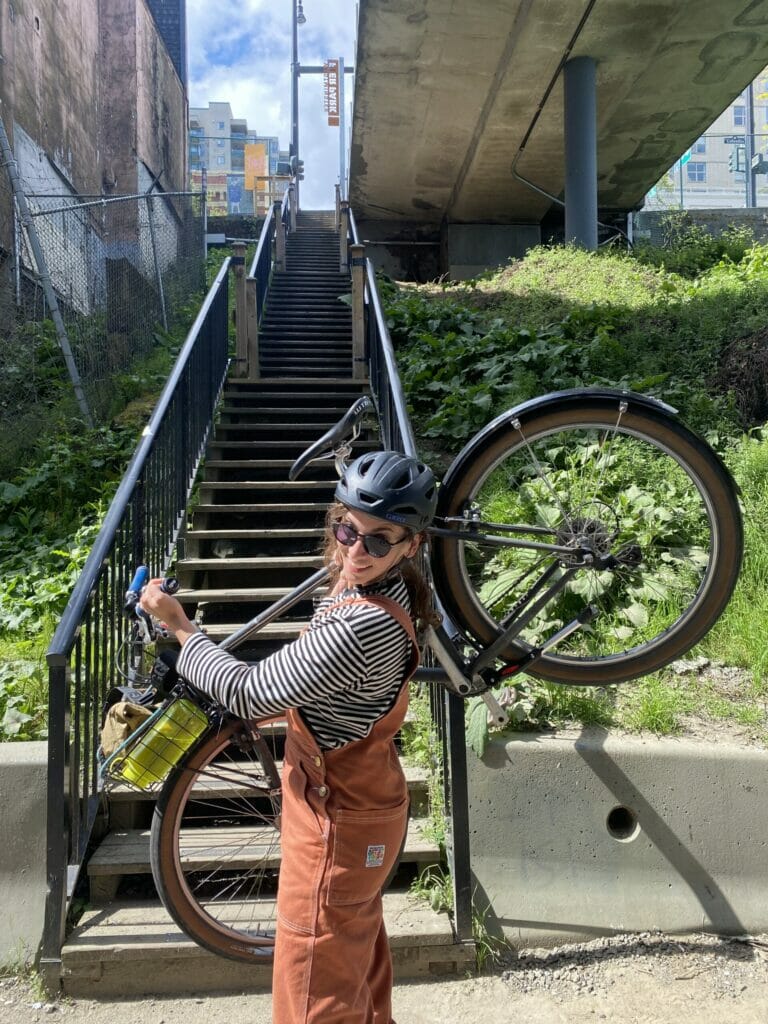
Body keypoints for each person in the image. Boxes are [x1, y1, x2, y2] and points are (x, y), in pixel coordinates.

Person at [141, 449, 438, 1024]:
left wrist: (180, 627)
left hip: (338, 819)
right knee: (353, 969)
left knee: (314, 995)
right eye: (346, 529)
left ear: (410, 546)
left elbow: (250, 694)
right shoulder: (388, 586)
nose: (355, 550)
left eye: (379, 540)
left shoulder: (363, 625)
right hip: (359, 805)